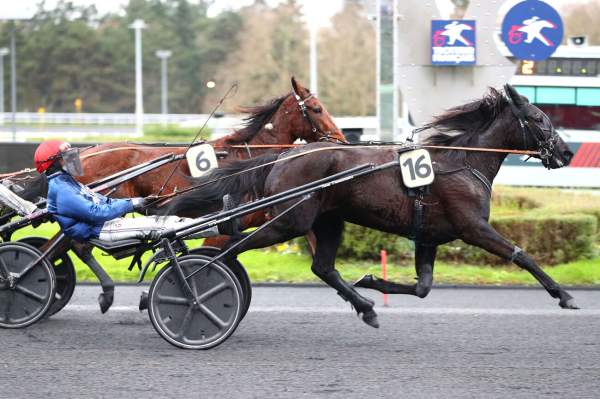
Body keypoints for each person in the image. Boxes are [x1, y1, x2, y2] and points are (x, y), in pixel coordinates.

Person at [34, 140, 239, 243]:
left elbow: (102, 202)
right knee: (163, 227)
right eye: (65, 157)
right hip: (100, 230)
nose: (72, 158)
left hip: (105, 224)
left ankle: (217, 223)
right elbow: (96, 213)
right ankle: (219, 227)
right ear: (53, 164)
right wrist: (133, 203)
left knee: (168, 222)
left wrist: (137, 201)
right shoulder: (62, 190)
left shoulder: (67, 183)